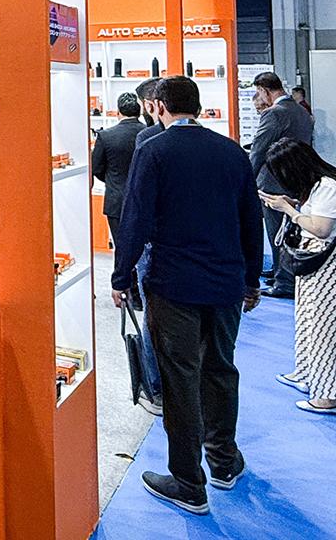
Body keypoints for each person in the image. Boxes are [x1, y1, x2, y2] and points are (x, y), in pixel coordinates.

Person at [109, 76, 261, 515]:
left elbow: (135, 217)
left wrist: (121, 276)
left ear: (158, 106)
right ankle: (224, 461)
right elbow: (250, 219)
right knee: (221, 369)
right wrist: (252, 279)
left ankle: (188, 482)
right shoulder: (231, 151)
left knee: (180, 378)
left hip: (173, 283)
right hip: (226, 281)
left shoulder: (154, 151)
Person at [259, 138, 336, 417]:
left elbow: (322, 228)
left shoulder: (328, 187)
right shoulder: (320, 186)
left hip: (327, 269)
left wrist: (289, 210)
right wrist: (291, 204)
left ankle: (331, 398)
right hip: (313, 266)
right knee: (309, 325)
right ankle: (309, 374)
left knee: (326, 332)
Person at [250, 71, 315, 299]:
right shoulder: (301, 111)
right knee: (289, 228)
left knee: (277, 231)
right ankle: (281, 270)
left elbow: (259, 150)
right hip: (297, 177)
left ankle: (285, 282)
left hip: (273, 181)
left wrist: (247, 178)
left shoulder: (274, 113)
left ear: (264, 90)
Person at [93, 92, 145, 247]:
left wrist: (112, 179)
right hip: (146, 198)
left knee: (121, 247)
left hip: (117, 199)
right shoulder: (150, 133)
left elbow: (96, 168)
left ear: (118, 112)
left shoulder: (105, 136)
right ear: (139, 111)